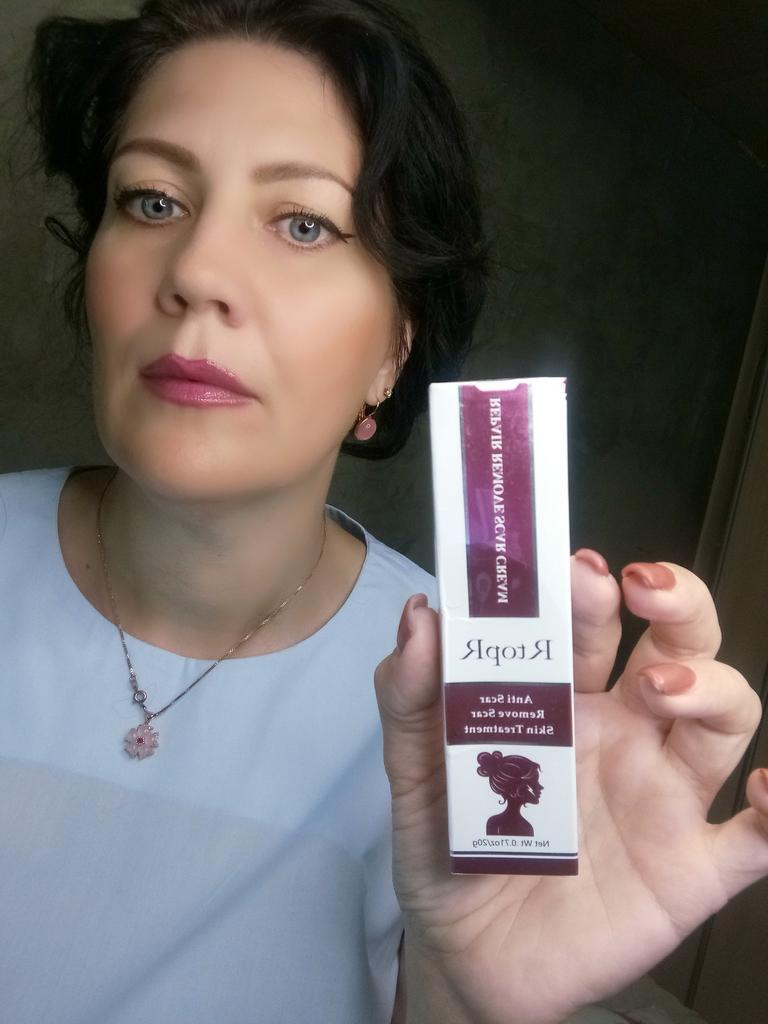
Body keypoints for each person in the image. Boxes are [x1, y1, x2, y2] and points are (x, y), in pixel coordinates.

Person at [1, 1, 766, 1022]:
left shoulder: (466, 693)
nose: (194, 273)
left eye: (304, 223)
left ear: (394, 350)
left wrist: (469, 991)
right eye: (152, 200)